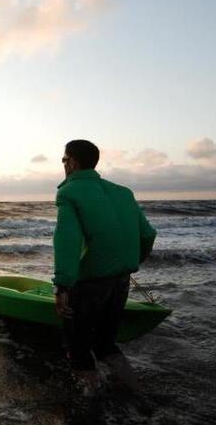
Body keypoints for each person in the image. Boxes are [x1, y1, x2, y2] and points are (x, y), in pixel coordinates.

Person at [52, 140, 156, 393]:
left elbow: (67, 242)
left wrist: (63, 286)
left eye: (64, 160)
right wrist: (129, 262)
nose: (63, 165)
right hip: (121, 280)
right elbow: (147, 234)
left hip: (89, 284)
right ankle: (137, 396)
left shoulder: (69, 192)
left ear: (72, 162)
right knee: (105, 344)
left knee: (78, 348)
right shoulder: (123, 192)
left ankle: (92, 404)